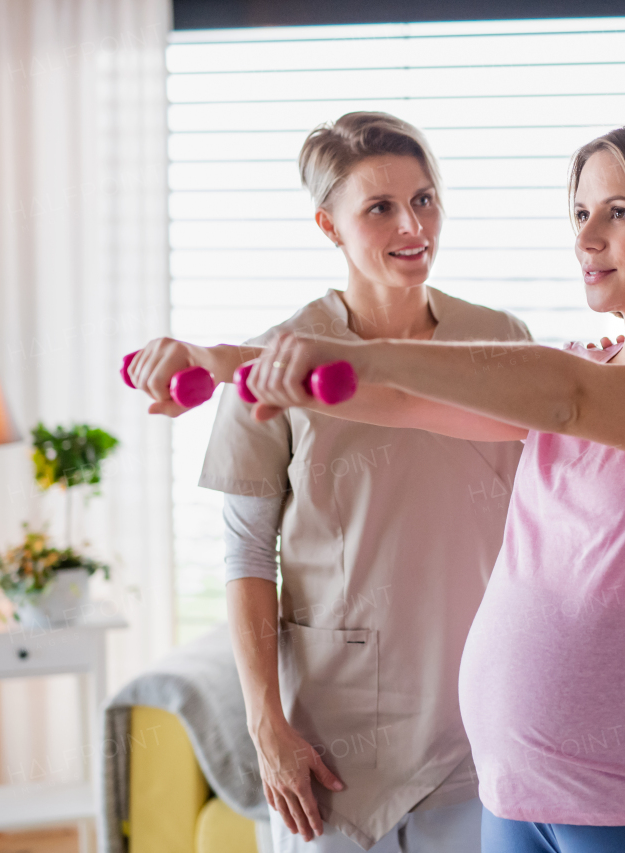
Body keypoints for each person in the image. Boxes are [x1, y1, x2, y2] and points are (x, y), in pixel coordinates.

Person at [241, 120, 625, 853]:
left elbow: (573, 399)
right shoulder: (582, 366)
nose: (586, 236)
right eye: (580, 213)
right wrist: (225, 363)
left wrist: (362, 353)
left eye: (618, 211)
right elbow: (408, 405)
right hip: (515, 787)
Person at [127, 112, 536, 852]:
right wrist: (267, 726)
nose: (412, 224)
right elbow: (248, 556)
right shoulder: (273, 366)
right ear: (329, 225)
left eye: (424, 198)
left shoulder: (502, 341)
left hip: (480, 721)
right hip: (334, 737)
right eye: (379, 207)